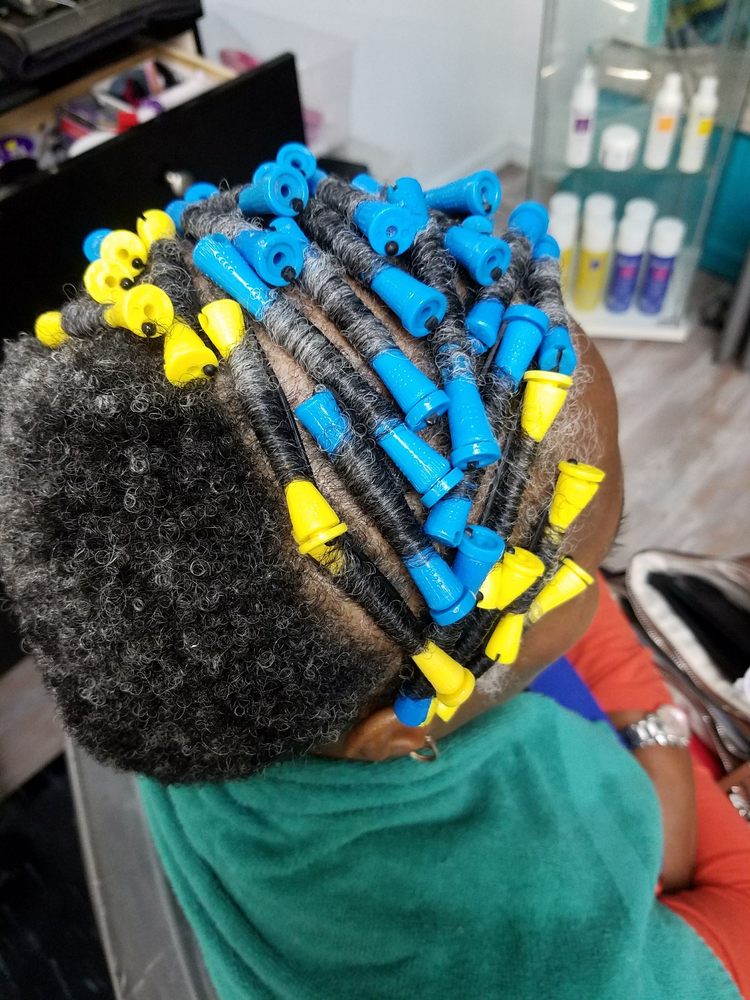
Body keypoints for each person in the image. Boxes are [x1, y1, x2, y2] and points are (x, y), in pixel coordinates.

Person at [0, 156, 748, 1000]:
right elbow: (719, 910)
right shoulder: (549, 919)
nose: (598, 583)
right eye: (581, 563)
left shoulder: (180, 661)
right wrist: (662, 739)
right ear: (400, 732)